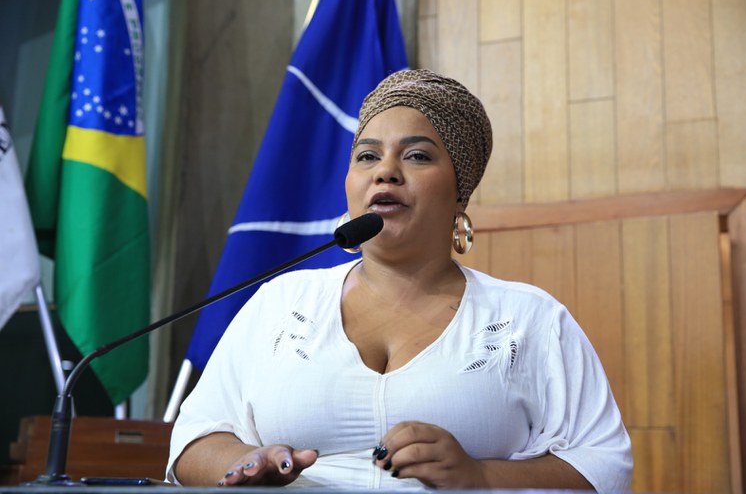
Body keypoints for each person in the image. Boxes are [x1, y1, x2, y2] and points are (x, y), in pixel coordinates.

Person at [166, 69, 633, 492]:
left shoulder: (529, 318)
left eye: (416, 155)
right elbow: (193, 442)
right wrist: (247, 463)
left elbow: (604, 465)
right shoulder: (281, 303)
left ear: (460, 192)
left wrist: (481, 476)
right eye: (367, 156)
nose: (385, 171)